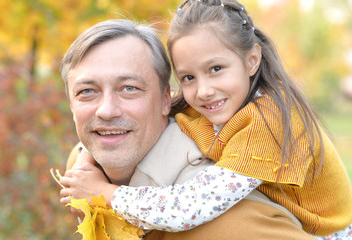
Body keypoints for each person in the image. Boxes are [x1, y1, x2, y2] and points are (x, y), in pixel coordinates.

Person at [63, 0, 352, 239]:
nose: (203, 90)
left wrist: (106, 193)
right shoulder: (206, 105)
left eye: (215, 68)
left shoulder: (267, 121)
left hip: (325, 232)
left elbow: (189, 208)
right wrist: (87, 157)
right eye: (188, 77)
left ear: (252, 60)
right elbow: (117, 120)